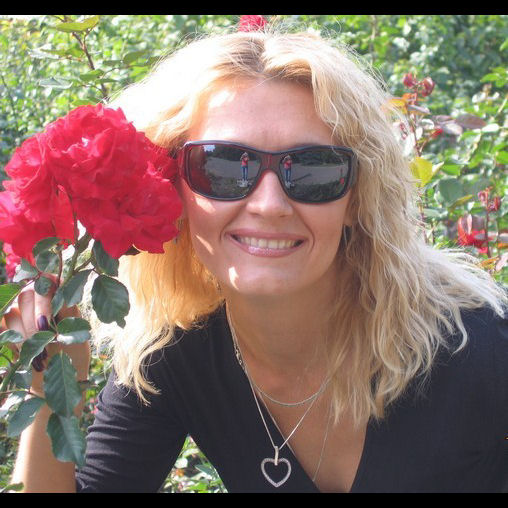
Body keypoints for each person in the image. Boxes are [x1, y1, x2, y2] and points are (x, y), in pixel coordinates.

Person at [6, 26, 508, 493]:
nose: (269, 204)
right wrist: (51, 387)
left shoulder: (481, 352)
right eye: (223, 166)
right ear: (169, 188)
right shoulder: (173, 352)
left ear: (358, 197)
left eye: (312, 169)